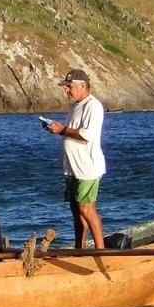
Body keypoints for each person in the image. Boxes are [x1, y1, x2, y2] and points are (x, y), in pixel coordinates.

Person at [42, 68, 106, 249]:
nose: (66, 90)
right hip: (72, 167)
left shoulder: (93, 106)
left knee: (86, 207)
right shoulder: (75, 107)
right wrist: (56, 129)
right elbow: (70, 133)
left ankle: (101, 250)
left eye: (69, 86)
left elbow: (86, 135)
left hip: (87, 167)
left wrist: (61, 130)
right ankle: (80, 248)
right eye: (66, 87)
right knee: (76, 210)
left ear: (83, 86)